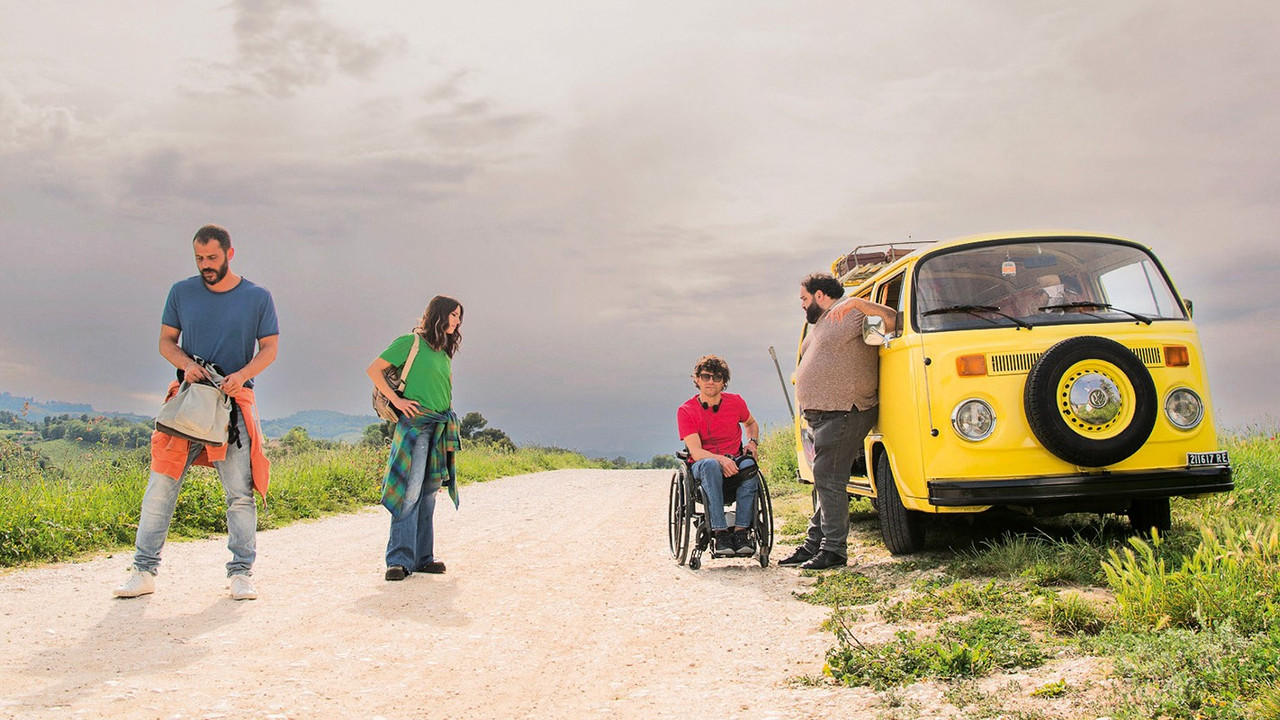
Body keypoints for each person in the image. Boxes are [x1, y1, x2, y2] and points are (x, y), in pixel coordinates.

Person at [115, 224, 279, 600]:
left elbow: (269, 348)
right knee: (161, 486)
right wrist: (185, 363)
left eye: (213, 258)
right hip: (188, 401)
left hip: (233, 404)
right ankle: (143, 571)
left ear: (229, 254)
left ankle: (241, 574)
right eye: (200, 259)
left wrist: (242, 375)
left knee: (239, 493)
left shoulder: (258, 297)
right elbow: (166, 342)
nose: (206, 265)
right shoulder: (181, 292)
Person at [779, 273, 896, 571]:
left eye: (804, 299)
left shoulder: (850, 312)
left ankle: (834, 551)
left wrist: (859, 301)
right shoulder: (819, 326)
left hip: (847, 410)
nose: (802, 306)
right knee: (823, 480)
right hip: (821, 416)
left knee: (829, 479)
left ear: (820, 295)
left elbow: (893, 321)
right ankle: (813, 545)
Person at [367, 295, 463, 581]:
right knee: (409, 491)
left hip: (439, 426)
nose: (457, 322)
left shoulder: (443, 350)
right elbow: (374, 369)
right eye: (454, 315)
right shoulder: (410, 343)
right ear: (440, 314)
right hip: (416, 425)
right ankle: (398, 560)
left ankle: (423, 558)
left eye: (460, 317)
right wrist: (396, 400)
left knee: (429, 493)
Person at [676, 355, 762, 557]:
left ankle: (741, 532)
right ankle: (720, 532)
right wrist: (721, 459)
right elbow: (695, 452)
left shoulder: (736, 402)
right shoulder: (686, 410)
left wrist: (753, 442)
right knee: (710, 465)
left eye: (717, 377)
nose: (711, 381)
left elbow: (751, 424)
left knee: (749, 464)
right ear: (697, 379)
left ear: (724, 382)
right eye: (705, 376)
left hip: (734, 460)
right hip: (704, 465)